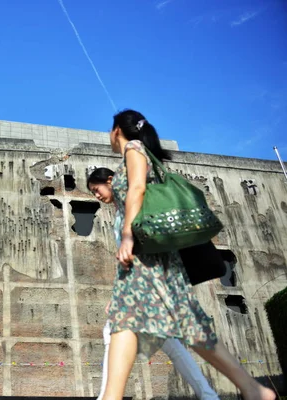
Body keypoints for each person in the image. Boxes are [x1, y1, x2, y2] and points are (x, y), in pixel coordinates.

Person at [91, 110, 275, 400]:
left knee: (179, 322)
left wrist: (127, 233)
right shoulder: (139, 152)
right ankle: (253, 389)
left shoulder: (133, 149)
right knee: (128, 321)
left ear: (117, 130)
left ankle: (253, 388)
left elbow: (138, 188)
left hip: (149, 256)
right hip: (143, 259)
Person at [88, 167, 219, 400]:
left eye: (96, 189)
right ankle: (209, 395)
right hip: (148, 282)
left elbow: (139, 252)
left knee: (112, 330)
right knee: (169, 341)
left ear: (109, 180)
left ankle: (107, 397)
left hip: (149, 282)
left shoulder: (132, 204)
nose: (96, 196)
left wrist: (119, 295)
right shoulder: (122, 211)